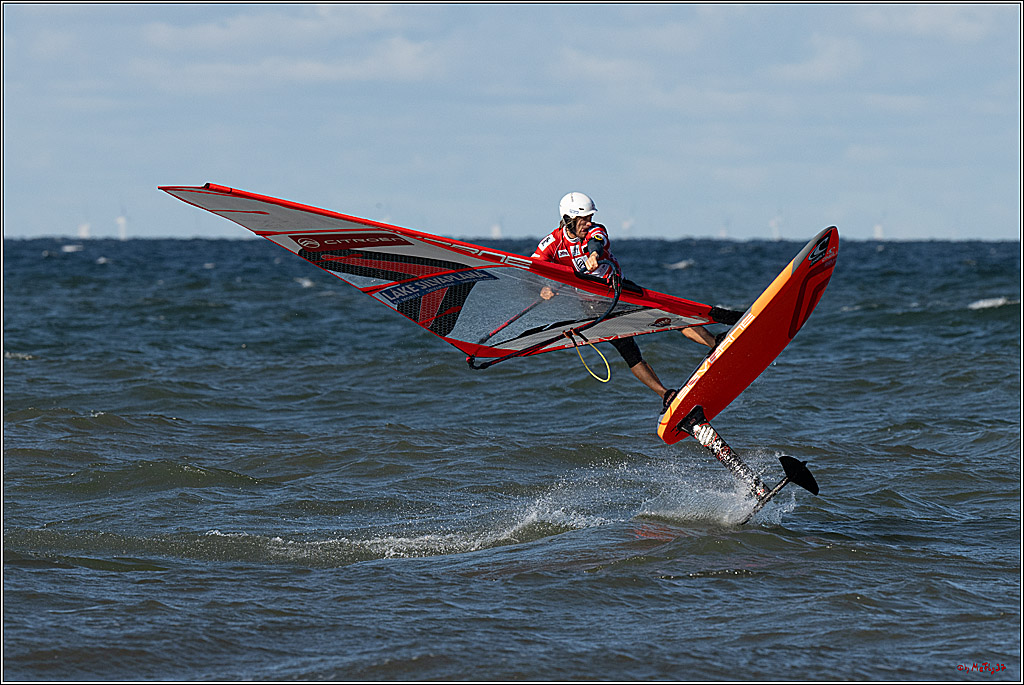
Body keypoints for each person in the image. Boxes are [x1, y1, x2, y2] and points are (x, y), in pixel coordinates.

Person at [531, 192, 722, 410]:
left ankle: (717, 346)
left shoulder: (595, 230)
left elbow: (597, 241)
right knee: (629, 351)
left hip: (619, 290)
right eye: (583, 219)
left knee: (671, 316)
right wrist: (542, 287)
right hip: (594, 307)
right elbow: (533, 267)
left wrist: (593, 255)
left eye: (590, 217)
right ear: (568, 219)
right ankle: (666, 395)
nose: (588, 222)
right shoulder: (553, 242)